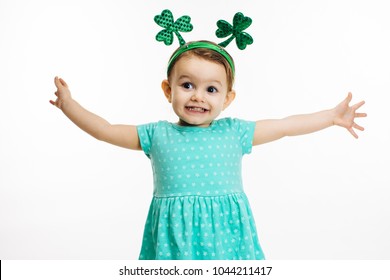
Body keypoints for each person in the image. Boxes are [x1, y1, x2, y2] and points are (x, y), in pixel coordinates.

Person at [50, 40, 366, 260]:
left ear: (227, 98)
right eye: (187, 85)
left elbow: (285, 125)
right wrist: (69, 105)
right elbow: (105, 130)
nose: (198, 96)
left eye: (211, 89)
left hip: (228, 236)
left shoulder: (235, 132)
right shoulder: (156, 135)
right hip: (176, 238)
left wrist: (331, 117)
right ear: (168, 89)